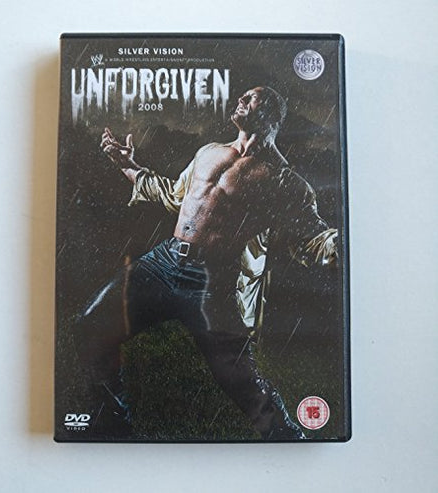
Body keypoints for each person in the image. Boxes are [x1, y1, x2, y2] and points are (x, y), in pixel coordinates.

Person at [75, 86, 337, 440]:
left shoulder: (284, 181)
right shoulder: (209, 152)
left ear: (272, 114)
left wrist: (342, 244)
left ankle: (289, 439)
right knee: (91, 325)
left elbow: (315, 238)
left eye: (251, 97)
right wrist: (127, 165)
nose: (240, 100)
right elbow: (174, 196)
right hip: (163, 262)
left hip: (211, 283)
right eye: (242, 96)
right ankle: (114, 424)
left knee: (242, 382)